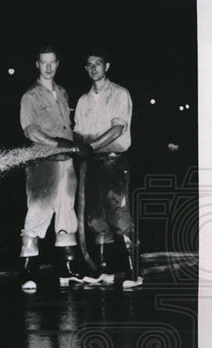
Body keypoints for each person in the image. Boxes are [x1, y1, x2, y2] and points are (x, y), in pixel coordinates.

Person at [18, 46, 84, 292]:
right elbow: (31, 130)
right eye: (43, 63)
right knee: (37, 214)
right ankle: (27, 273)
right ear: (37, 64)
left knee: (67, 211)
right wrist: (59, 144)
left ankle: (67, 270)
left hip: (66, 162)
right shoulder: (30, 96)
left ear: (58, 64)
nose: (48, 67)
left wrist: (75, 144)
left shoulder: (63, 92)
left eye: (52, 62)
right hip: (43, 163)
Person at [73, 51, 140, 287]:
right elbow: (78, 131)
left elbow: (117, 130)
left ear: (107, 66)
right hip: (90, 164)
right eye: (89, 65)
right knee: (94, 219)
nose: (93, 68)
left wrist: (90, 146)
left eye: (98, 64)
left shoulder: (120, 94)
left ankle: (134, 272)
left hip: (113, 161)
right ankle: (104, 269)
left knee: (118, 216)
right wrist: (77, 146)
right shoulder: (83, 100)